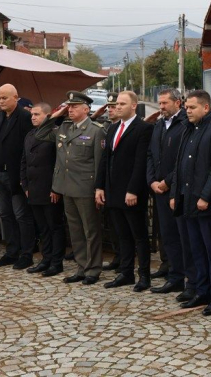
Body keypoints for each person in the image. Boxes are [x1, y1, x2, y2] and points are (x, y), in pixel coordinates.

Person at [170, 90, 211, 315]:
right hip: (188, 201)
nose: (187, 111)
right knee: (196, 250)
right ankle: (201, 291)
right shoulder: (189, 129)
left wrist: (205, 196)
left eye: (192, 107)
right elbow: (180, 164)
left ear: (206, 108)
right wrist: (175, 193)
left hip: (207, 205)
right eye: (186, 107)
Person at [35, 91, 106, 285]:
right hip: (66, 187)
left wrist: (99, 187)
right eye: (69, 106)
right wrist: (56, 115)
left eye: (75, 106)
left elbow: (100, 164)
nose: (71, 109)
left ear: (86, 109)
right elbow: (40, 133)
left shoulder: (96, 130)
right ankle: (82, 267)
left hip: (85, 187)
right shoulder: (65, 127)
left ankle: (93, 269)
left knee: (90, 231)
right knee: (75, 231)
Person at [95, 91, 153, 292]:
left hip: (131, 192)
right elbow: (106, 159)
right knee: (122, 235)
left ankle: (144, 275)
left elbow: (140, 162)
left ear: (134, 106)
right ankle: (126, 272)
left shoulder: (143, 128)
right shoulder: (112, 129)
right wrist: (100, 186)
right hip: (113, 190)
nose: (117, 107)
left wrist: (133, 190)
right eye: (116, 104)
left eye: (122, 104)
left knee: (139, 235)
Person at [147, 89, 193, 296]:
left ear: (178, 103)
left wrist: (167, 182)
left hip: (176, 190)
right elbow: (151, 154)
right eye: (160, 103)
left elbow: (184, 160)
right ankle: (174, 276)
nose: (161, 107)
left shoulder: (185, 125)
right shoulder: (159, 124)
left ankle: (188, 278)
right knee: (168, 236)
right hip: (159, 189)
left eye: (165, 103)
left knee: (182, 236)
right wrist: (152, 181)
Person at [0, 84, 37, 270]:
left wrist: (23, 176)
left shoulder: (25, 117)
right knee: (7, 214)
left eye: (5, 98)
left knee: (21, 215)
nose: (1, 101)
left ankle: (26, 254)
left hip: (16, 174)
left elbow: (28, 147)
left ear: (15, 97)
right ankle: (11, 251)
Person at [20, 103, 66, 277]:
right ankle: (45, 259)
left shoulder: (55, 133)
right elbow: (24, 161)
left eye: (37, 114)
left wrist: (56, 188)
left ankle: (56, 262)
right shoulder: (30, 135)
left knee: (54, 226)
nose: (33, 117)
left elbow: (60, 163)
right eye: (32, 114)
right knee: (42, 227)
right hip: (33, 188)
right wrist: (25, 185)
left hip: (50, 189)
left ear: (48, 116)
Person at [101, 92, 122, 272]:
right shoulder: (107, 127)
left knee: (123, 226)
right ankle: (118, 255)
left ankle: (125, 257)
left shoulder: (125, 127)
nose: (110, 110)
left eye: (114, 106)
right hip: (108, 182)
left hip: (121, 185)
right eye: (109, 107)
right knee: (113, 225)